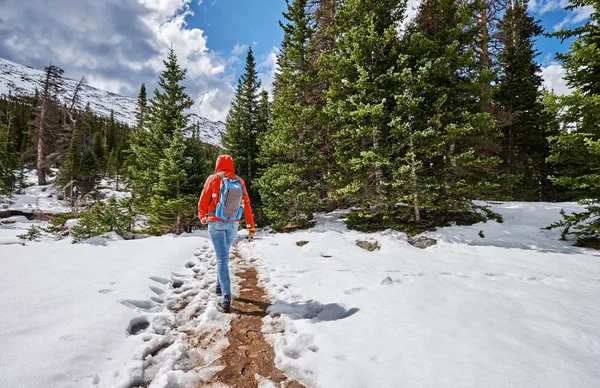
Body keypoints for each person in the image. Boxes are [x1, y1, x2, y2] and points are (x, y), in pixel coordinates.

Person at [198, 155, 255, 313]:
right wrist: (251, 226)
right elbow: (247, 205)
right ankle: (219, 286)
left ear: (217, 165)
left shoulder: (213, 179)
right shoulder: (239, 181)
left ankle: (226, 298)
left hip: (216, 222)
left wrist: (203, 217)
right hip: (233, 223)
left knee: (221, 257)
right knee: (224, 254)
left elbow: (203, 200)